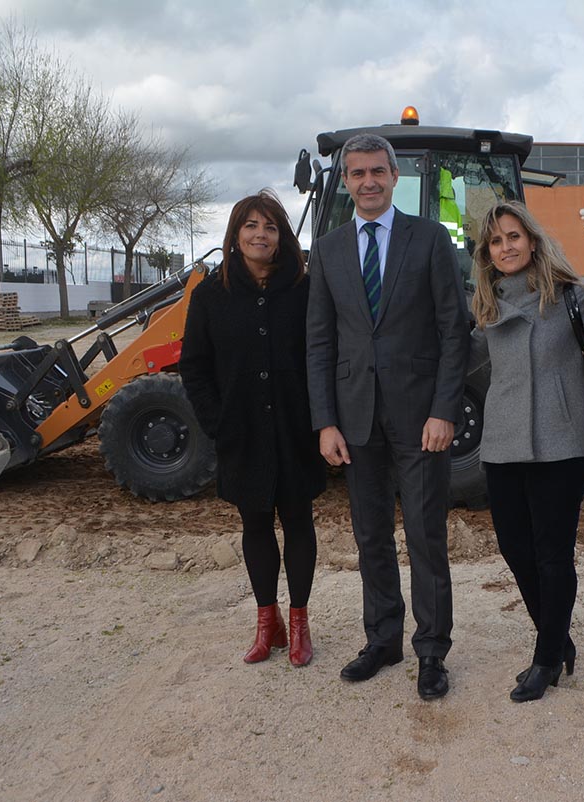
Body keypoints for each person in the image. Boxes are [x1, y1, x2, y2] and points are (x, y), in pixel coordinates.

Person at [306, 134, 469, 700]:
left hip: (421, 418)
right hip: (355, 422)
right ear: (345, 181)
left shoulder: (428, 240)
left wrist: (445, 409)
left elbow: (455, 329)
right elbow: (319, 342)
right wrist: (326, 421)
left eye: (378, 171)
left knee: (426, 536)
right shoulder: (326, 251)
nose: (368, 181)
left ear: (395, 177)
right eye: (358, 173)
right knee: (370, 534)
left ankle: (431, 650)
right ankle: (382, 639)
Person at [179, 190, 326, 668]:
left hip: (295, 429)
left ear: (282, 236)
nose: (260, 234)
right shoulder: (210, 295)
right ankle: (268, 624)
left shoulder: (305, 290)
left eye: (270, 227)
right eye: (251, 226)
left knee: (299, 523)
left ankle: (300, 622)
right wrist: (218, 423)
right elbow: (195, 368)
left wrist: (321, 419)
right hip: (241, 433)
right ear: (235, 236)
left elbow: (324, 356)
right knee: (256, 526)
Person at [469, 201, 584, 702]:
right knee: (514, 548)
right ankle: (558, 635)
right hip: (503, 443)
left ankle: (545, 658)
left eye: (514, 237)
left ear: (533, 240)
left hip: (563, 443)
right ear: (487, 253)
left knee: (552, 553)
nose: (507, 247)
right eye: (497, 241)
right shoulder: (484, 306)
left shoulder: (570, 298)